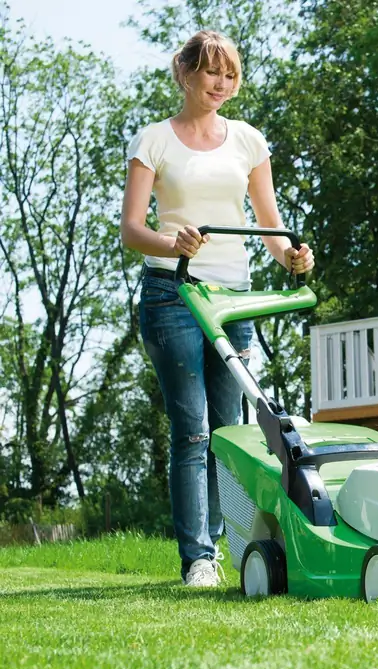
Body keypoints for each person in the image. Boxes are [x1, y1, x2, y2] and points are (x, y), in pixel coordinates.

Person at [119, 30, 314, 587]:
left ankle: (241, 548)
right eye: (211, 72)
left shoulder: (249, 141)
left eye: (230, 74)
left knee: (232, 429)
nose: (222, 84)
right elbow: (133, 229)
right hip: (172, 293)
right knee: (195, 430)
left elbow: (269, 223)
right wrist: (172, 242)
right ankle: (197, 558)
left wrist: (293, 258)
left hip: (233, 299)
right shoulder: (155, 139)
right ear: (185, 73)